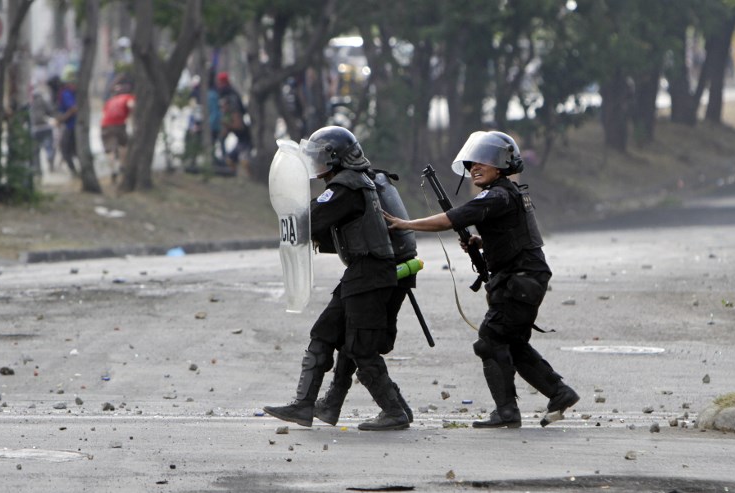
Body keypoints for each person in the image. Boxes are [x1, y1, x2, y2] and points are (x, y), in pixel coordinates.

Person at [384, 130, 580, 428]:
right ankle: (559, 393)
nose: (475, 166)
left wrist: (405, 224)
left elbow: (450, 219)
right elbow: (517, 238)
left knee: (489, 340)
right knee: (511, 343)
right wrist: (480, 242)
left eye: (483, 162)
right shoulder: (506, 194)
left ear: (501, 166)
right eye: (472, 162)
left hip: (520, 281)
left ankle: (507, 411)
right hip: (522, 278)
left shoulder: (497, 195)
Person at [263, 126, 412, 431]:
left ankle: (394, 411)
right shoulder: (350, 184)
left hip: (370, 275)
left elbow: (314, 218)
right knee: (325, 333)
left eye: (320, 157)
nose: (315, 164)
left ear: (336, 159)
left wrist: (294, 210)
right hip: (361, 273)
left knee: (360, 347)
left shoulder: (348, 185)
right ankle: (307, 406)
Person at [216, 71, 251, 176]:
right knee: (231, 158)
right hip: (240, 136)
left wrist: (227, 125)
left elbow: (238, 124)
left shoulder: (231, 99)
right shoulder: (229, 94)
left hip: (243, 136)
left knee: (244, 159)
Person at [100, 82, 135, 183]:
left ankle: (113, 170)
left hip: (105, 125)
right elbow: (131, 105)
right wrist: (132, 118)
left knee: (110, 150)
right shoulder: (128, 97)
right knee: (123, 145)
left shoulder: (110, 101)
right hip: (119, 124)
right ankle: (122, 165)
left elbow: (104, 114)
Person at [56, 65, 79, 176]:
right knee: (73, 150)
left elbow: (73, 109)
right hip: (73, 126)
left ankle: (75, 172)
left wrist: (62, 119)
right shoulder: (70, 93)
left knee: (65, 150)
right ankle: (75, 172)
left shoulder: (66, 93)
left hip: (71, 126)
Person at [29, 89, 57, 175]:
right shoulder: (45, 102)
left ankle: (38, 170)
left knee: (36, 151)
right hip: (46, 128)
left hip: (35, 129)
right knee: (49, 148)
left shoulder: (31, 104)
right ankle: (50, 161)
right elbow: (52, 112)